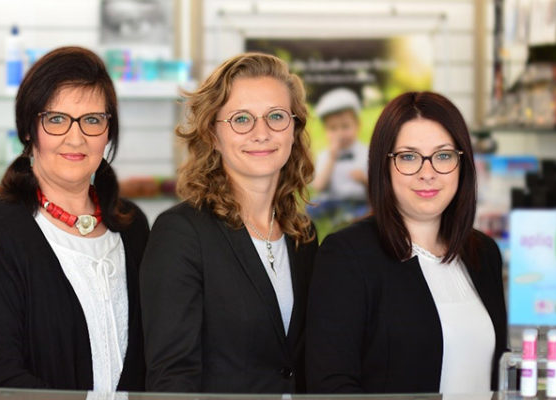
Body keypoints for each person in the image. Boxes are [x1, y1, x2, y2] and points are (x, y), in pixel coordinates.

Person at [0, 46, 148, 392]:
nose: (76, 137)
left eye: (92, 120)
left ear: (108, 131)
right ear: (28, 130)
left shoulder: (132, 225)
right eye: (56, 119)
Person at [305, 91, 507, 394]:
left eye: (443, 156)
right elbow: (331, 385)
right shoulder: (347, 256)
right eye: (409, 157)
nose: (428, 173)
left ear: (462, 163)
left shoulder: (483, 253)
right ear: (383, 165)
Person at [140, 53, 318, 394]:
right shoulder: (181, 234)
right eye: (241, 119)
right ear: (212, 134)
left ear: (294, 129)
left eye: (277, 116)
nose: (261, 133)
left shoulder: (303, 235)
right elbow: (172, 379)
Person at [311, 87, 368, 201]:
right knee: (313, 205)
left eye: (345, 126)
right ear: (325, 131)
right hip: (332, 201)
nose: (340, 134)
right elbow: (318, 187)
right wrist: (331, 159)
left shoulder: (367, 152)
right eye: (333, 128)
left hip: (360, 201)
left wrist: (364, 180)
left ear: (358, 125)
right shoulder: (325, 156)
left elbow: (379, 187)